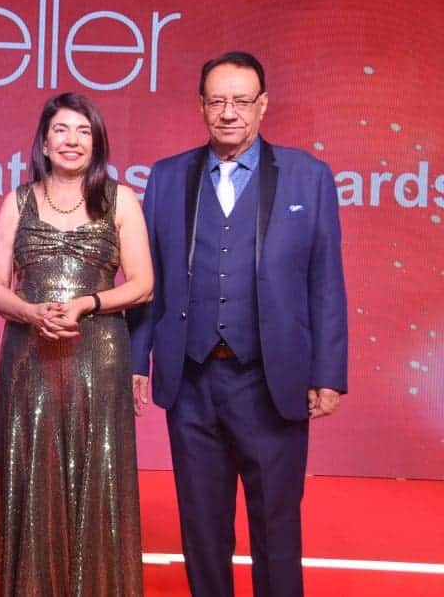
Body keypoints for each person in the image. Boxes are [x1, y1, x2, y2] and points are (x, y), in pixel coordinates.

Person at [128, 51, 348, 597]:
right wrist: (137, 359)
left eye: (241, 101)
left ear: (263, 105)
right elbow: (146, 279)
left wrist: (329, 372)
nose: (229, 113)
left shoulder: (308, 176)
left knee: (276, 529)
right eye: (218, 101)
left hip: (271, 380)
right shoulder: (167, 176)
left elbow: (326, 281)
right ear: (201, 106)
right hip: (192, 378)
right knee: (202, 531)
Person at [0, 92, 153, 596]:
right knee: (29, 472)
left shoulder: (120, 200)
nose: (72, 140)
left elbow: (142, 284)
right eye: (62, 130)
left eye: (83, 131)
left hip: (98, 356)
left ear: (96, 142)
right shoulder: (18, 200)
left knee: (98, 473)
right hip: (28, 358)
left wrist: (86, 304)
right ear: (44, 140)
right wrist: (30, 312)